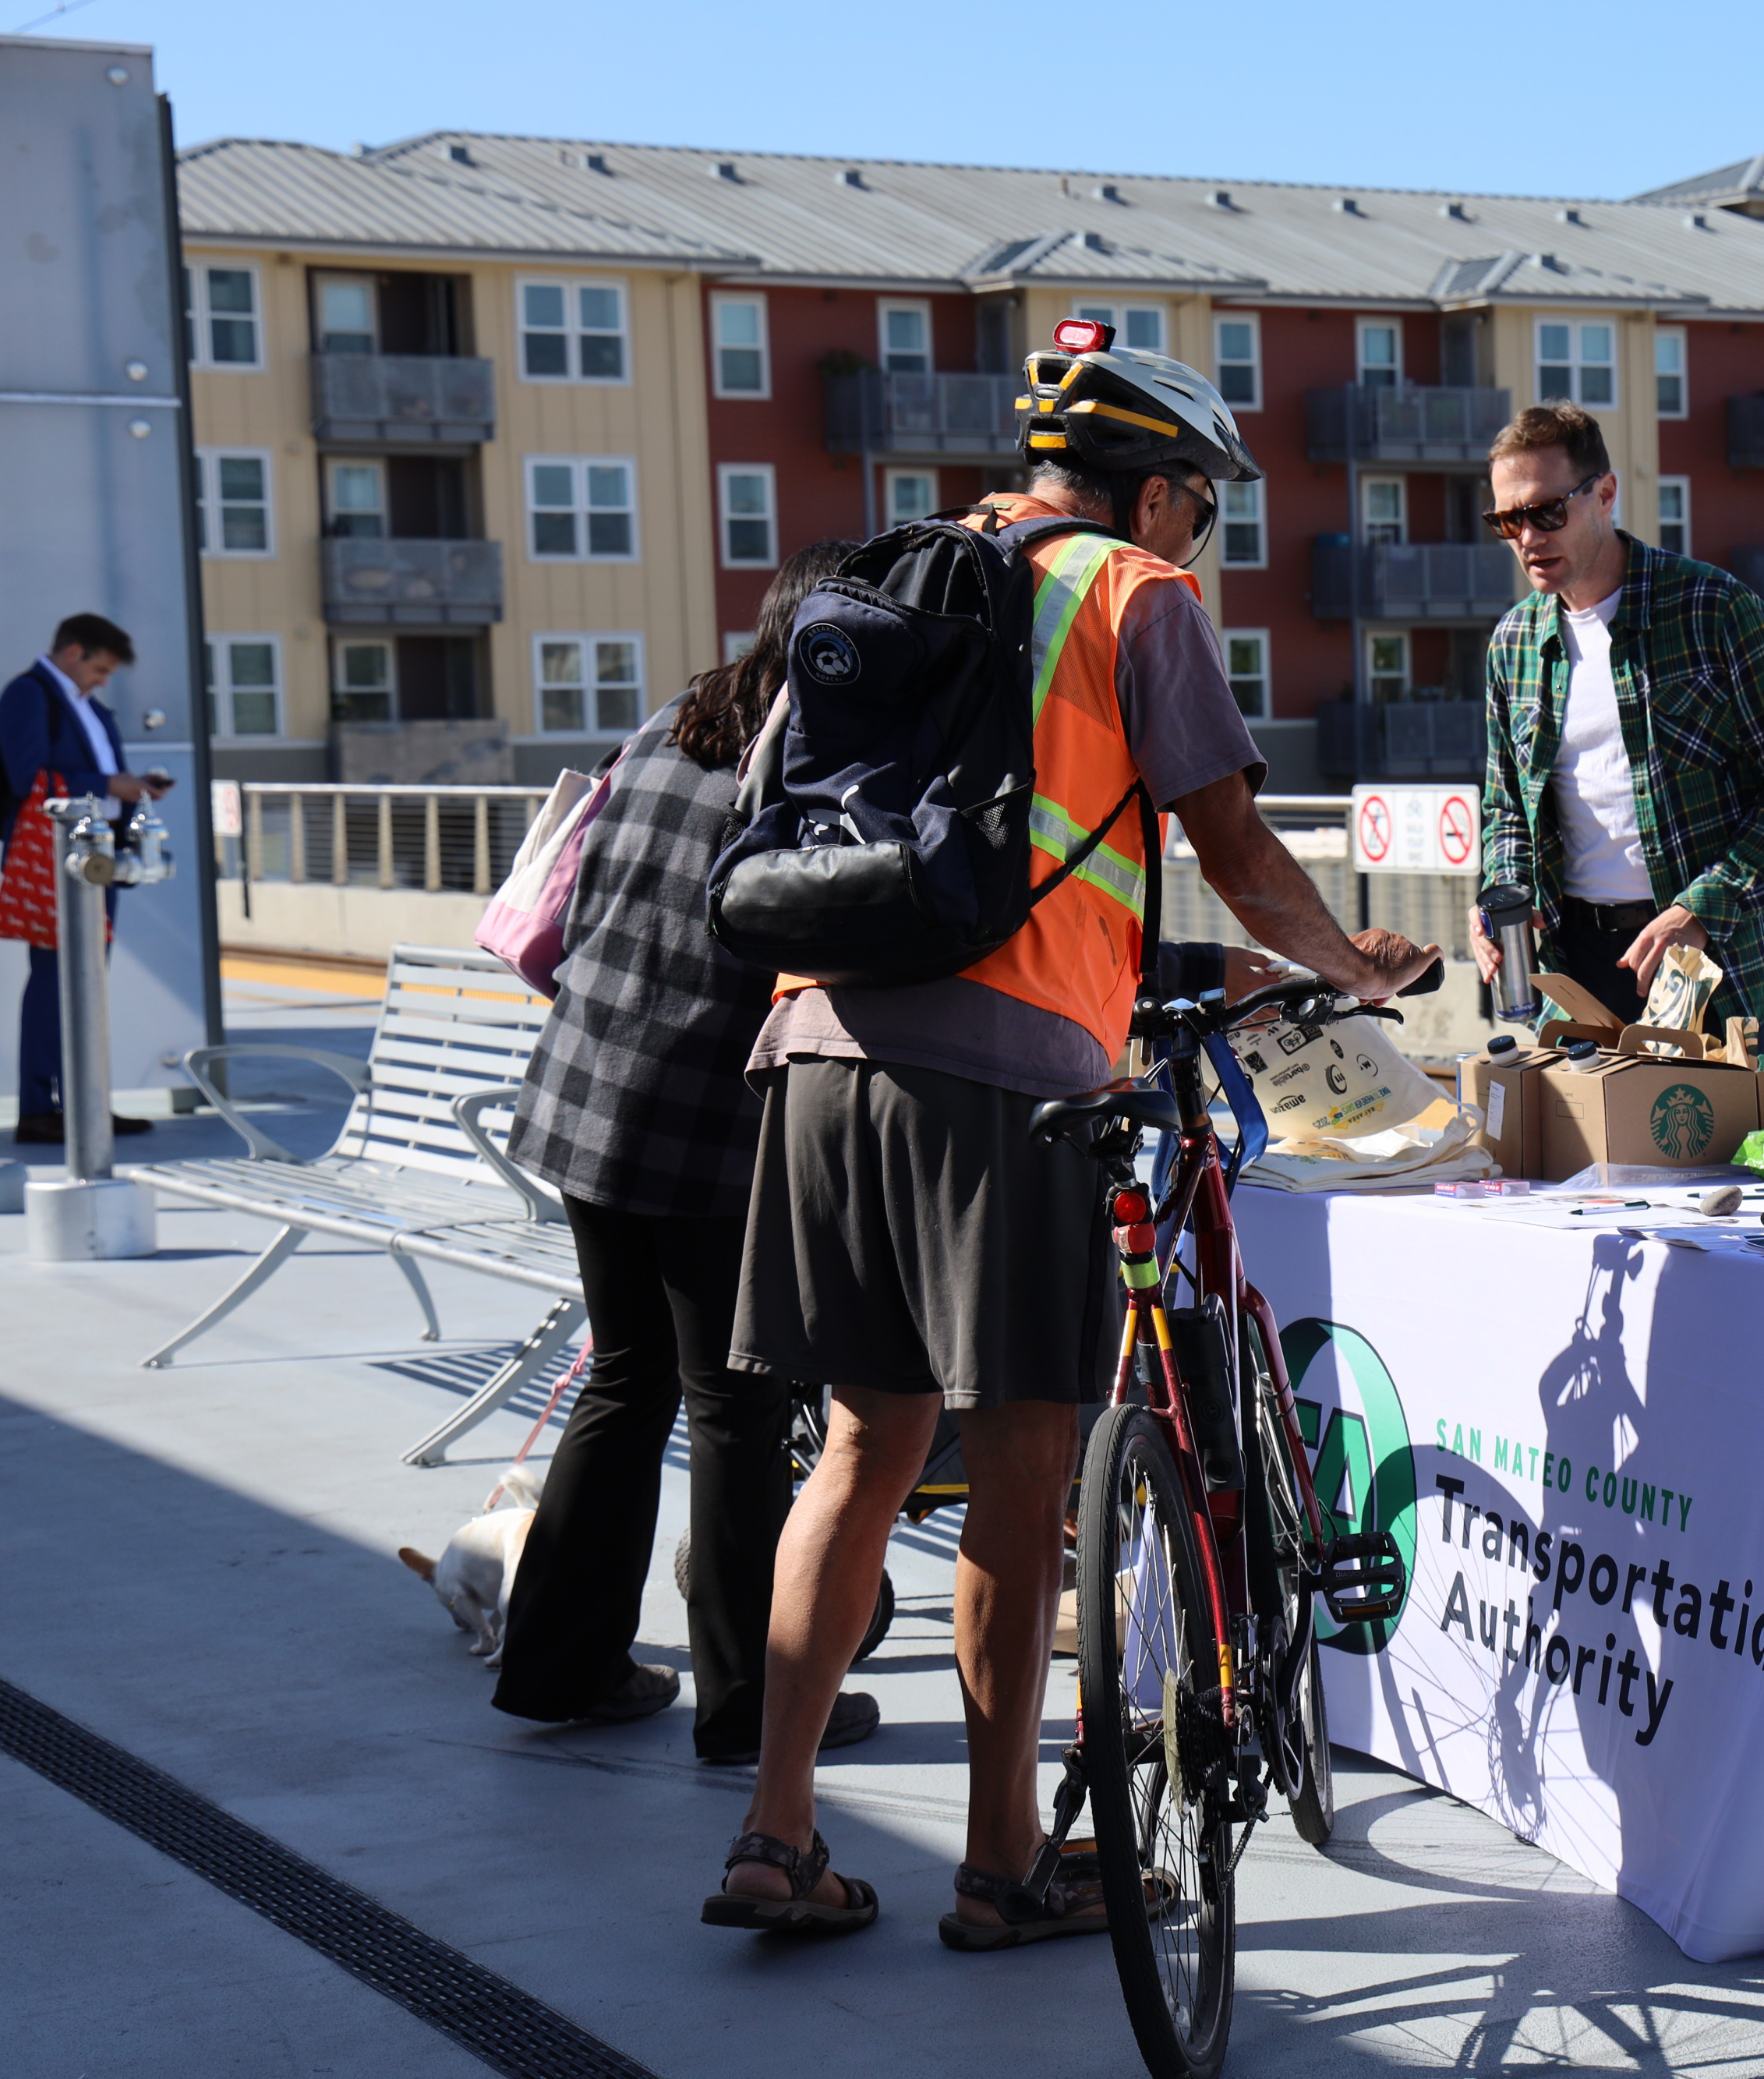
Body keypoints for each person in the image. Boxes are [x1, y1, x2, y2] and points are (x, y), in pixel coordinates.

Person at [706, 331, 1437, 1944]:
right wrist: (1351, 961)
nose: (1206, 538)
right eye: (1206, 506)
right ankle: (1005, 1858)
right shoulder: (1132, 593)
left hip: (819, 1046)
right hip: (1006, 1077)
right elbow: (1229, 837)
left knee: (859, 1445)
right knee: (1026, 1472)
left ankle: (775, 1830)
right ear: (1159, 489)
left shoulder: (890, 573)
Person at [490, 541, 875, 1763]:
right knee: (736, 1406)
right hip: (702, 1123)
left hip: (585, 1099)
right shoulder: (813, 761)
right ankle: (747, 1706)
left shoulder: (679, 716)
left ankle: (558, 1665)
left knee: (626, 1376)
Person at [1469, 402, 1764, 1046]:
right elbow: (1505, 813)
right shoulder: (1513, 644)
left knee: (1705, 1147)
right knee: (1579, 1148)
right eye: (1506, 520)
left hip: (1704, 957)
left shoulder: (1713, 609)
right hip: (1571, 961)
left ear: (1604, 493)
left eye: (1546, 511)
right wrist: (1504, 900)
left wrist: (1701, 910)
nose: (1527, 536)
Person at [2, 613, 175, 1145]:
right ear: (73, 652)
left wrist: (128, 788)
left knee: (85, 983)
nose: (103, 680)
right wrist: (111, 783)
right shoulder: (30, 696)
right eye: (99, 669)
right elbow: (22, 774)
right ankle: (41, 1105)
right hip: (57, 857)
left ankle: (85, 1102)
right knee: (57, 981)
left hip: (92, 855)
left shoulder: (88, 707)